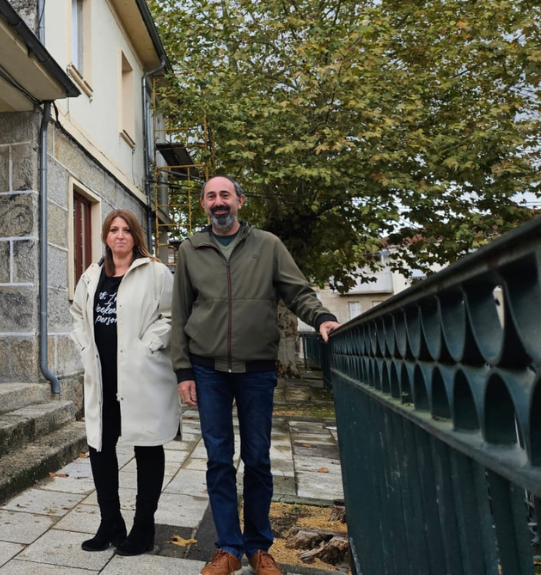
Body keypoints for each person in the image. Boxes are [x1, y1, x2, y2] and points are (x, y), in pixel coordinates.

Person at [170, 176, 341, 575]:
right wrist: (183, 370)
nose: (218, 202)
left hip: (256, 371)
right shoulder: (190, 249)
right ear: (203, 205)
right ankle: (227, 548)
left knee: (258, 460)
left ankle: (259, 548)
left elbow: (298, 291)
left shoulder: (268, 245)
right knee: (218, 460)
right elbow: (180, 313)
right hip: (208, 370)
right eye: (210, 196)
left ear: (240, 202)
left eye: (224, 195)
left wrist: (324, 318)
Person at [69, 209, 180, 556]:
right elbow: (77, 315)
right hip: (102, 379)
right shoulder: (91, 275)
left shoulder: (156, 272)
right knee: (101, 449)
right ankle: (110, 523)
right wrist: (85, 345)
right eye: (113, 230)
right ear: (105, 236)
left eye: (126, 230)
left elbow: (172, 316)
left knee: (147, 447)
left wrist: (149, 345)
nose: (119, 235)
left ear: (135, 237)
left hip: (140, 376)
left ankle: (143, 529)